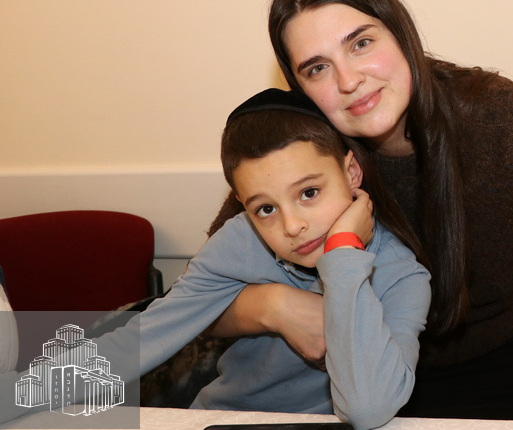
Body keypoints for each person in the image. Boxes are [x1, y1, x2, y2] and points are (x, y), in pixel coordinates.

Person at [209, 0, 513, 420]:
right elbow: (199, 303)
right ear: (298, 87)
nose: (348, 81)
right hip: (342, 385)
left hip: (502, 372)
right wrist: (273, 306)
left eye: (361, 43)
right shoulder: (303, 150)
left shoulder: (505, 119)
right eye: (317, 68)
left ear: (400, 32)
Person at [119, 88, 430, 430]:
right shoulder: (241, 240)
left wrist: (344, 253)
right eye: (266, 209)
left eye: (309, 193)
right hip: (226, 420)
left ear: (352, 172)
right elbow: (146, 334)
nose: (293, 226)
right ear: (243, 205)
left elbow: (367, 410)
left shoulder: (402, 275)